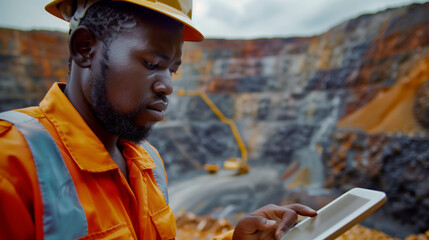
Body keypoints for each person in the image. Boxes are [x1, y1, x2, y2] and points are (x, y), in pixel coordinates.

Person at [0, 0, 317, 239]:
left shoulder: (148, 163)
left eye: (172, 69)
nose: (167, 85)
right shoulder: (13, 164)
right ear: (85, 48)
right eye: (152, 63)